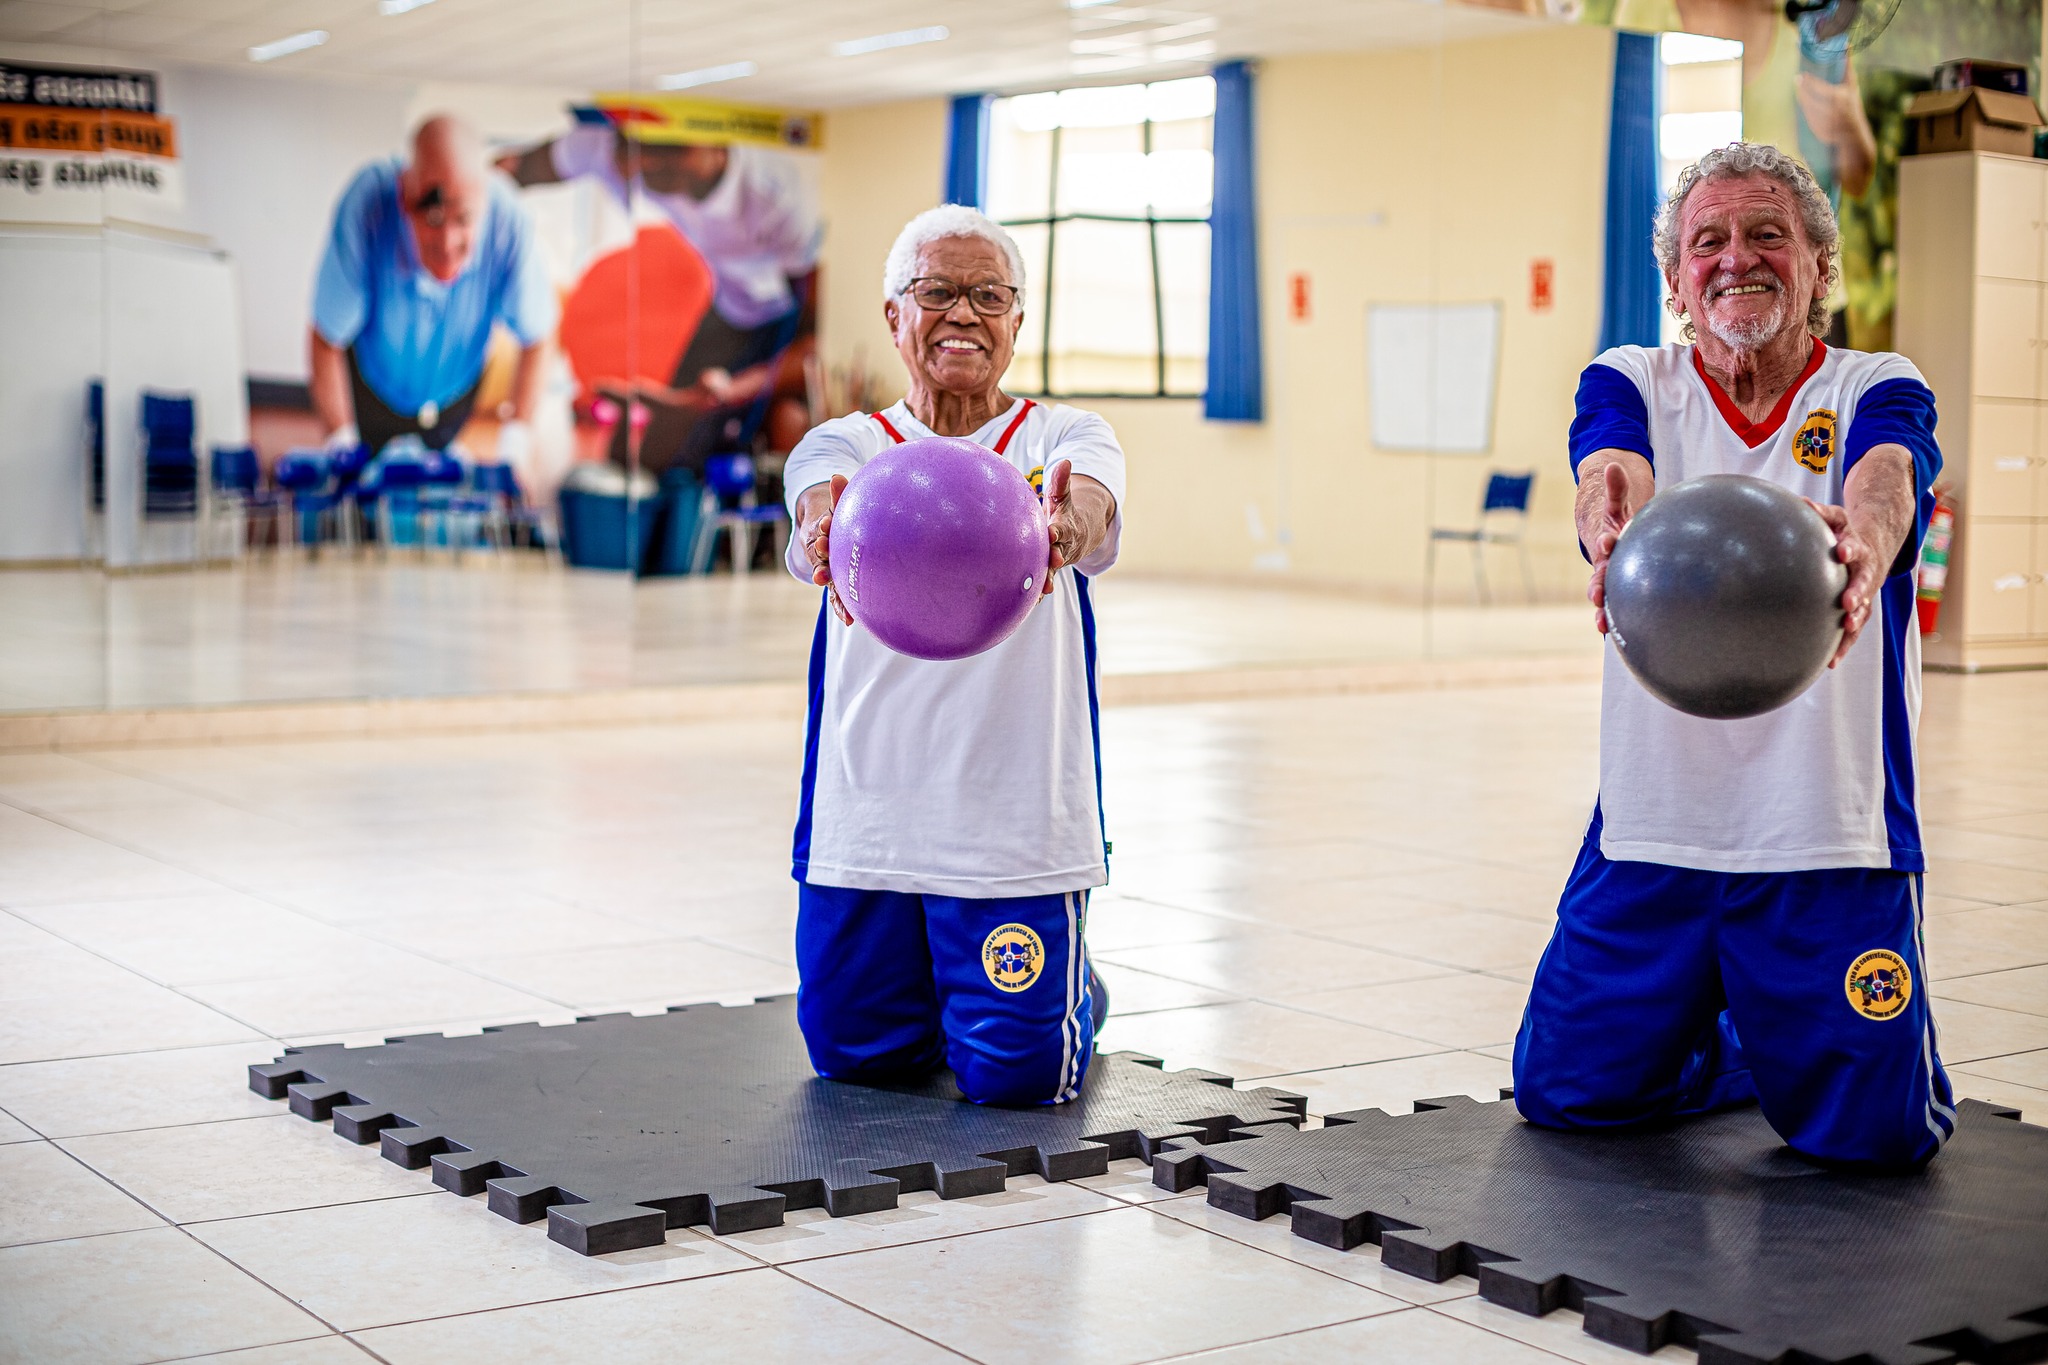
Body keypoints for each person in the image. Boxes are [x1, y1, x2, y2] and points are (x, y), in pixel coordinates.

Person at [1513, 142, 1950, 1170]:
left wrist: (1864, 544)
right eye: (1705, 241)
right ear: (1675, 281)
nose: (1734, 258)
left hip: (1825, 830)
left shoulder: (1873, 382)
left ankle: (1774, 1032)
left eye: (1766, 235)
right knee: (1564, 1095)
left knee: (1875, 1141)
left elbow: (1889, 474)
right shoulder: (1632, 377)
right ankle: (1735, 1047)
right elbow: (1608, 462)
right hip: (1654, 823)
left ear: (1819, 267)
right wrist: (1604, 520)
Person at [779, 205, 1124, 1106]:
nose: (964, 313)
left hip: (1013, 831)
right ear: (894, 314)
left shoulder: (1063, 439)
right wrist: (824, 528)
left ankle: (1074, 985)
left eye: (989, 296)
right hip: (867, 824)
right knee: (855, 1059)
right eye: (936, 291)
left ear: (1018, 320)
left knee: (1018, 1082)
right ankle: (938, 982)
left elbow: (1091, 506)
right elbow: (816, 499)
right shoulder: (848, 445)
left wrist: (1061, 527)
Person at [502, 124, 819, 476]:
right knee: (649, 451)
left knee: (764, 432)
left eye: (671, 150)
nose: (647, 162)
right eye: (638, 149)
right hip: (725, 305)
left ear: (717, 146)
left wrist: (730, 392)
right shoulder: (617, 147)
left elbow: (812, 342)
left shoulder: (780, 197)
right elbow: (504, 174)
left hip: (778, 319)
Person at [311, 115, 555, 468]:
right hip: (369, 390)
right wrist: (339, 446)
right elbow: (326, 337)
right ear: (404, 195)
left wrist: (515, 451)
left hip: (454, 398)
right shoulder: (368, 203)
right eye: (434, 219)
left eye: (464, 219)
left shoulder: (509, 220)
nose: (447, 242)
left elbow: (538, 338)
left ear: (483, 203)